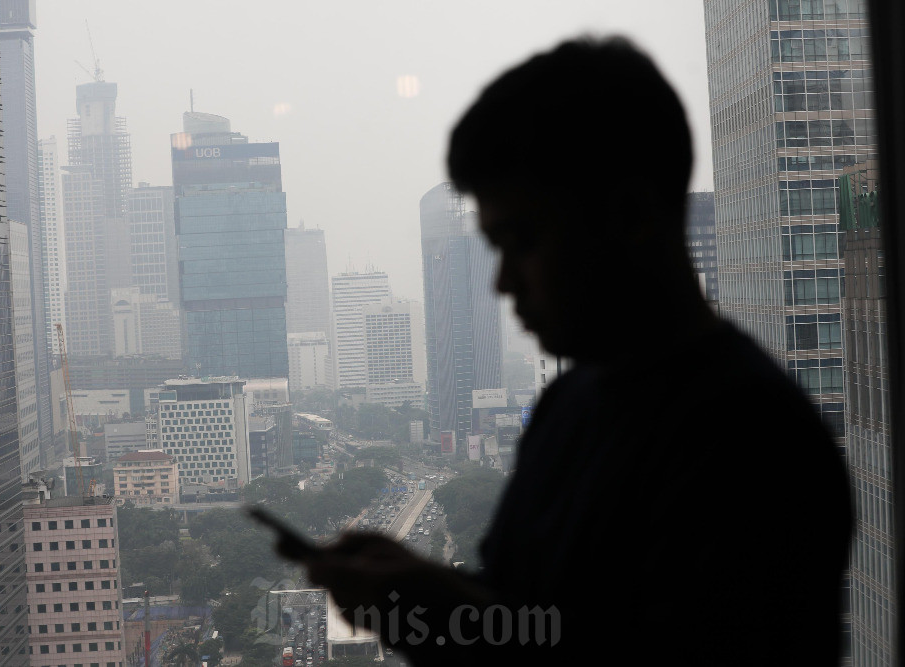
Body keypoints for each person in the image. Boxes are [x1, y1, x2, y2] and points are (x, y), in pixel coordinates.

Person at [273, 37, 852, 665]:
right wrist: (421, 589)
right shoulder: (569, 407)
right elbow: (532, 616)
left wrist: (426, 611)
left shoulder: (753, 443)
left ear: (630, 216)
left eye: (522, 240)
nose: (502, 282)